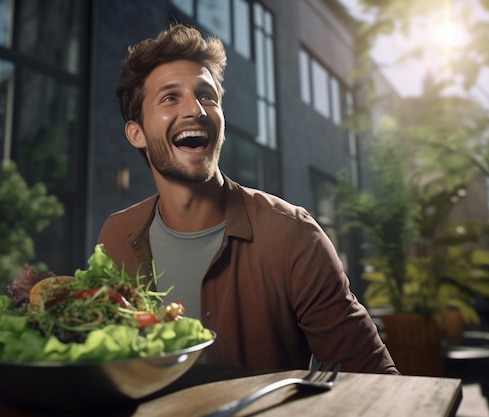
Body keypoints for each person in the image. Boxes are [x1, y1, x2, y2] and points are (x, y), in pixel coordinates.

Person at [97, 23, 399, 374]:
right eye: (169, 97)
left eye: (206, 96)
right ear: (137, 133)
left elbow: (374, 379)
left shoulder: (292, 235)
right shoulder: (116, 236)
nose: (195, 109)